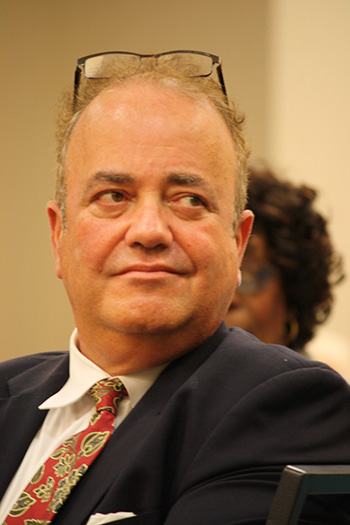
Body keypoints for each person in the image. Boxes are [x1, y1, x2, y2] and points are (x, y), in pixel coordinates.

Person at [0, 51, 350, 525]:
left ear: (238, 241)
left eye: (188, 200)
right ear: (58, 235)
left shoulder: (289, 405)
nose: (149, 230)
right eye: (113, 196)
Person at [225, 165, 350, 379]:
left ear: (295, 296)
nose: (228, 293)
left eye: (249, 270)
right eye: (221, 267)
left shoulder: (317, 398)